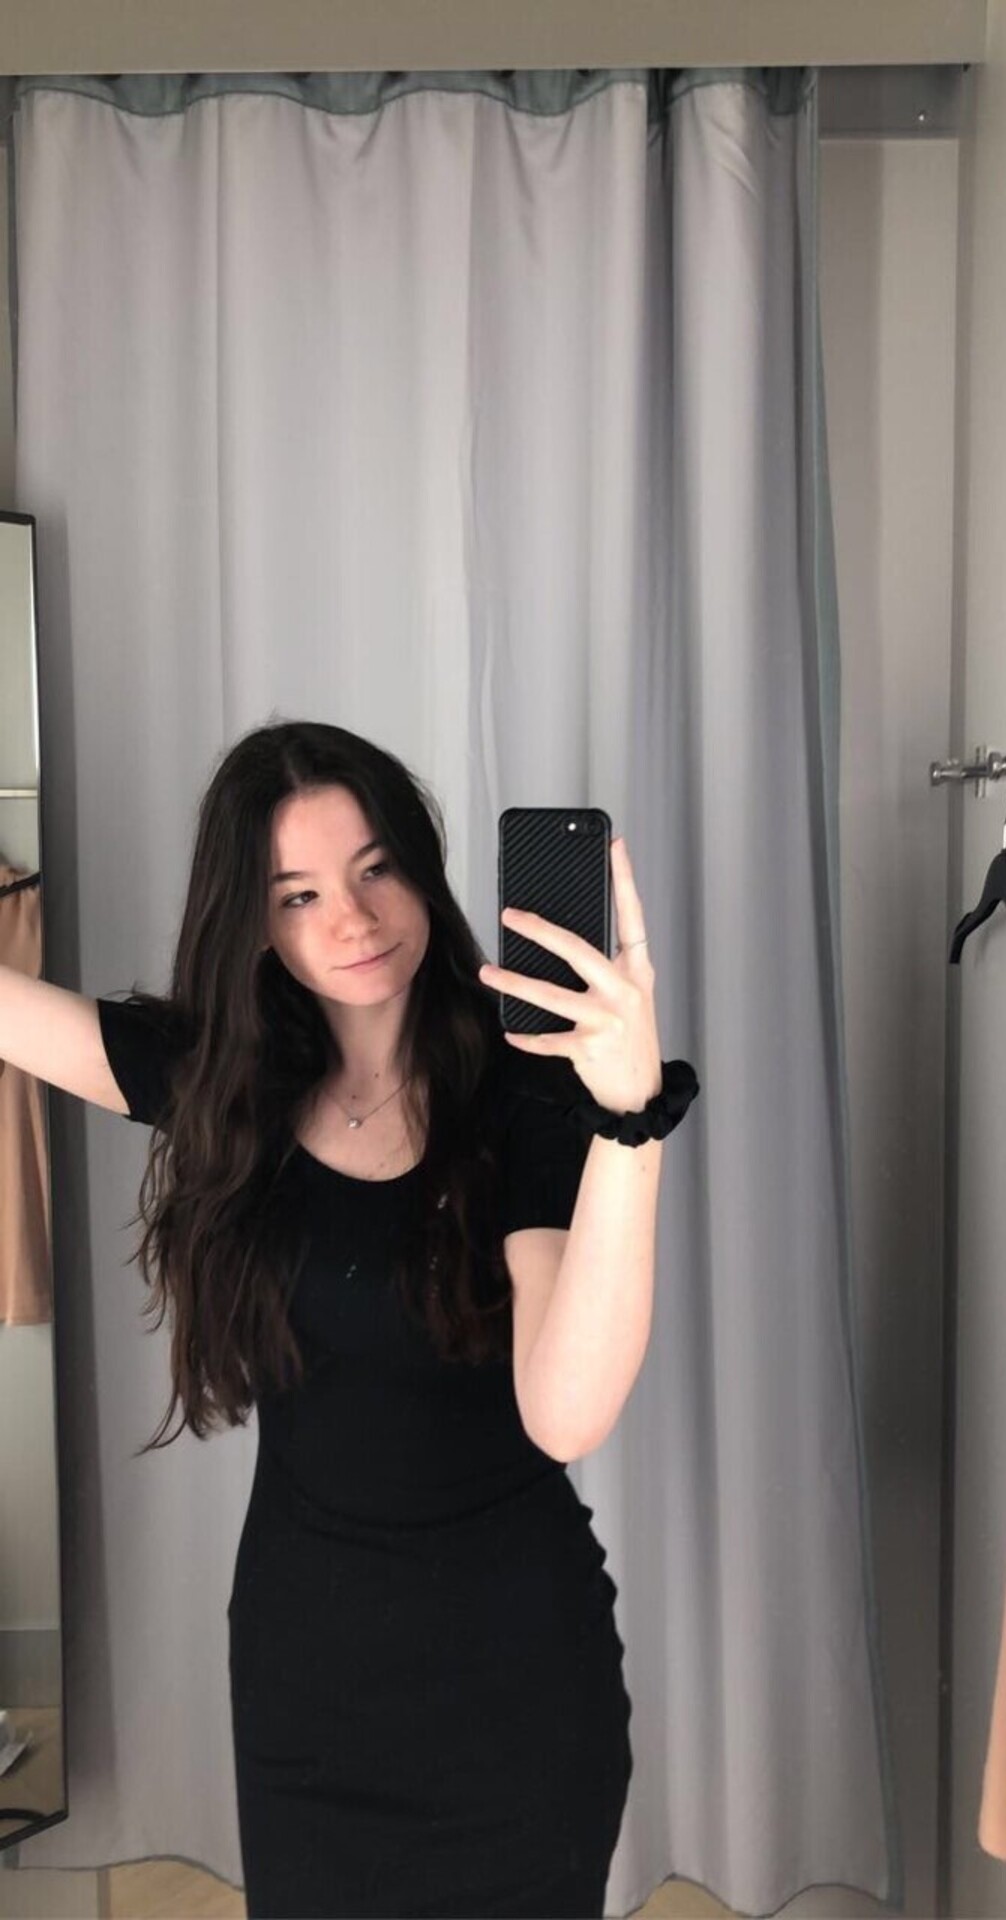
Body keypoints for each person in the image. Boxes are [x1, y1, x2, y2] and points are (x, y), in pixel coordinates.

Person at [1, 719, 640, 1919]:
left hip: (514, 1693)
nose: (351, 918)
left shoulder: (524, 1089)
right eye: (298, 895)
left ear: (420, 864)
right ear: (255, 922)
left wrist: (629, 1125)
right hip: (308, 1692)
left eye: (375, 868)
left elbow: (567, 1413)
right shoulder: (229, 1087)